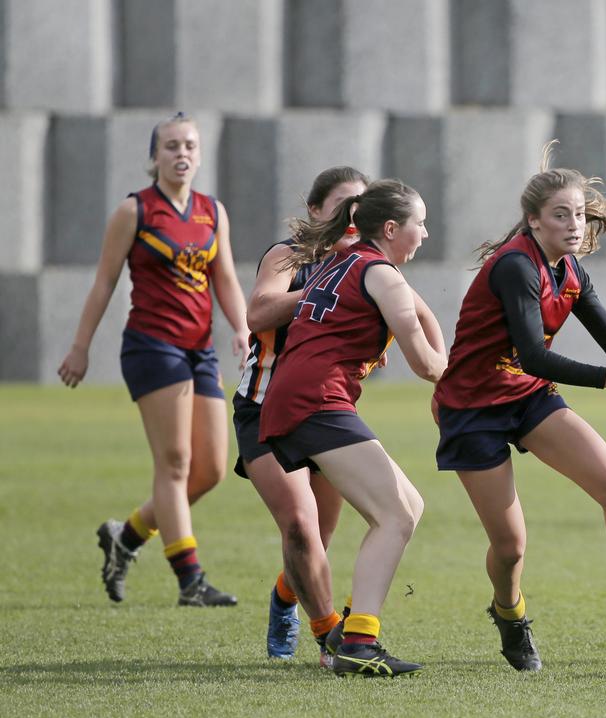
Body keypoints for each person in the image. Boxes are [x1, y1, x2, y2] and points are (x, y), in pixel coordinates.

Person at [433, 143, 606, 672]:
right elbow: (535, 354)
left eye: (580, 215)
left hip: (526, 396)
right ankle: (510, 616)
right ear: (534, 220)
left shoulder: (569, 270)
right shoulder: (514, 267)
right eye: (561, 215)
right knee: (511, 546)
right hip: (473, 409)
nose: (573, 224)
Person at [58, 112, 249, 607]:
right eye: (170, 146)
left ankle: (126, 536)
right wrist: (80, 347)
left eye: (189, 145)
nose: (181, 153)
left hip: (200, 350)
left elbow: (224, 278)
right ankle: (191, 581)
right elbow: (104, 283)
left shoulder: (213, 211)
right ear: (154, 157)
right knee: (175, 463)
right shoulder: (134, 211)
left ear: (200, 154)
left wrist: (244, 327)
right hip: (152, 346)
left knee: (209, 470)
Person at [259, 179, 447, 677]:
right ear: (390, 228)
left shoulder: (350, 261)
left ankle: (349, 631)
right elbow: (426, 364)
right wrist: (464, 378)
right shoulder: (380, 273)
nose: (425, 234)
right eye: (419, 224)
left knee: (409, 506)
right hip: (313, 400)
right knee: (394, 517)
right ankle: (358, 642)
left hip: (300, 398)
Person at [233, 166, 369, 662]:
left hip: (326, 412)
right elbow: (259, 313)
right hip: (264, 407)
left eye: (362, 204)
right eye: (342, 203)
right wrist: (323, 293)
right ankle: (328, 636)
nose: (354, 214)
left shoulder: (367, 265)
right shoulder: (289, 255)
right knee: (299, 526)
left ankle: (284, 595)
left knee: (321, 535)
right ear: (314, 211)